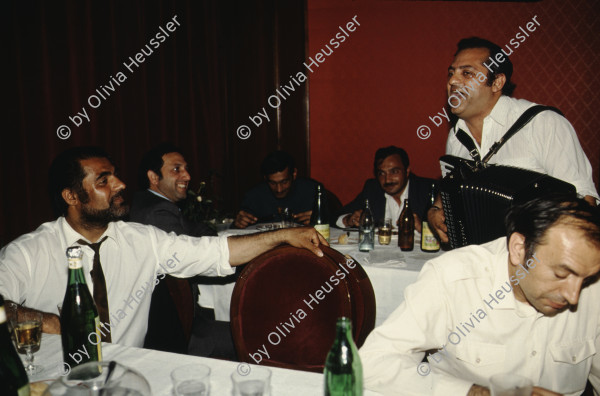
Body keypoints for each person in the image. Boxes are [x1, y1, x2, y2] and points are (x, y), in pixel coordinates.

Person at [0, 146, 327, 348]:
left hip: (128, 377)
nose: (120, 185)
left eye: (115, 176)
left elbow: (214, 252)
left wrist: (283, 236)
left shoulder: (142, 240)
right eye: (104, 180)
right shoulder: (28, 253)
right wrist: (53, 323)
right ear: (71, 197)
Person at [359, 193, 600, 395]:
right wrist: (478, 393)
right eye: (560, 274)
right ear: (519, 250)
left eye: (587, 279)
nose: (574, 296)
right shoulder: (454, 278)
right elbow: (372, 364)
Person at [427, 37, 599, 244]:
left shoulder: (544, 124)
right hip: (481, 259)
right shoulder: (457, 136)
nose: (453, 81)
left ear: (497, 82)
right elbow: (452, 196)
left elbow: (584, 204)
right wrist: (435, 212)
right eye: (451, 73)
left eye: (467, 73)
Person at [130, 143, 231, 357]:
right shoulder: (155, 211)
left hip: (179, 319)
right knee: (250, 333)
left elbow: (199, 228)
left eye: (186, 168)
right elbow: (195, 259)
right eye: (176, 169)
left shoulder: (155, 203)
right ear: (153, 177)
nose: (187, 176)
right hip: (173, 332)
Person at [334, 146, 436, 232]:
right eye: (382, 173)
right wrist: (348, 220)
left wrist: (423, 228)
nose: (387, 180)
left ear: (407, 171)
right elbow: (334, 217)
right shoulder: (372, 189)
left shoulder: (428, 189)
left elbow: (448, 229)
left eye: (394, 172)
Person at [234, 150, 319, 228]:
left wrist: (319, 221)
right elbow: (236, 229)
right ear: (265, 178)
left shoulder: (313, 191)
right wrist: (238, 224)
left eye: (284, 182)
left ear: (294, 174)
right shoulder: (254, 196)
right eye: (273, 183)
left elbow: (330, 223)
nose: (279, 190)